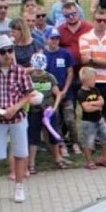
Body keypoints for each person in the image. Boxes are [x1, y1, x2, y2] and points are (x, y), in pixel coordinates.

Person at [0, 34, 33, 205]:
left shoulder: (20, 72)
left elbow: (28, 94)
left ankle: (19, 186)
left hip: (17, 117)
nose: (7, 55)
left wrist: (15, 108)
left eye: (10, 51)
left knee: (20, 153)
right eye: (3, 52)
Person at [80, 8, 106, 137]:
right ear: (93, 21)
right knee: (95, 112)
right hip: (92, 82)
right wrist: (104, 60)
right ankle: (98, 140)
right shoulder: (85, 38)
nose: (102, 23)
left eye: (105, 20)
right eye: (99, 20)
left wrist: (93, 58)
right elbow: (84, 60)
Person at [26, 52, 65, 173]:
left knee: (53, 134)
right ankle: (31, 163)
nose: (38, 71)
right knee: (33, 137)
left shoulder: (50, 77)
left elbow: (58, 93)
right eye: (36, 69)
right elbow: (25, 94)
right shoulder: (29, 78)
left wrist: (54, 107)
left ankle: (58, 158)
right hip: (34, 111)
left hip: (48, 111)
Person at [43, 26, 78, 156]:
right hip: (51, 95)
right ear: (46, 39)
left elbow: (70, 73)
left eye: (57, 38)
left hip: (65, 92)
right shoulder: (43, 55)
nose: (55, 41)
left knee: (70, 119)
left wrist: (65, 89)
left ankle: (74, 142)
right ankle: (61, 143)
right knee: (55, 119)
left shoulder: (65, 53)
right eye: (52, 38)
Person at [77, 67, 106, 170]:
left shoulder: (95, 90)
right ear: (85, 80)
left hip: (99, 119)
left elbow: (102, 102)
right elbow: (86, 109)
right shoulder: (81, 93)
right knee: (88, 142)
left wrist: (92, 104)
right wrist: (97, 106)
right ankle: (89, 161)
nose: (94, 81)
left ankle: (104, 158)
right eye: (93, 79)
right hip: (88, 121)